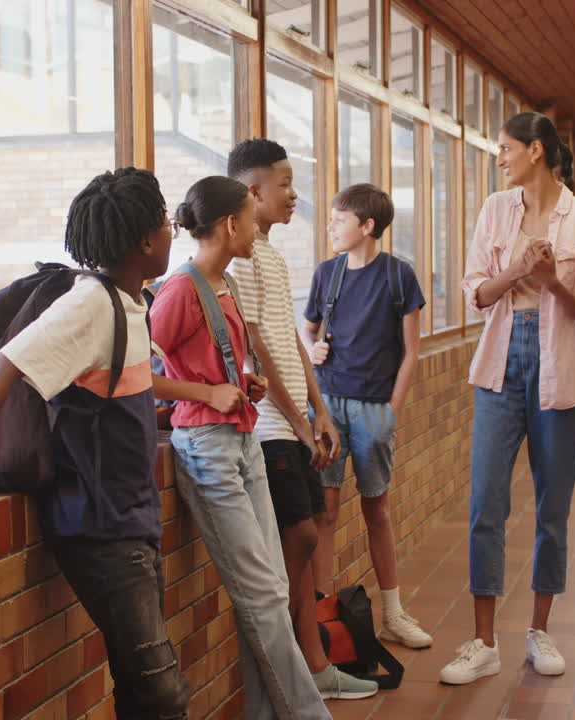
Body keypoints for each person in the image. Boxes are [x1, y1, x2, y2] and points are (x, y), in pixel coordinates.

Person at [0, 168, 189, 719]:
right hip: (100, 529)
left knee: (140, 685)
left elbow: (100, 401)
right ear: (147, 239)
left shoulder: (128, 302)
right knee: (163, 692)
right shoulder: (92, 305)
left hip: (130, 519)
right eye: (168, 223)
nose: (174, 233)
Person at [150, 176, 338, 717]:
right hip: (206, 449)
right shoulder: (180, 289)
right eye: (251, 218)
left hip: (242, 439)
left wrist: (241, 383)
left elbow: (214, 359)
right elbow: (139, 371)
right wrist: (208, 390)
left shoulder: (225, 282)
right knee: (262, 595)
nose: (258, 227)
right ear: (230, 224)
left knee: (271, 592)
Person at [441, 112, 575, 686]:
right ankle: (482, 640)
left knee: (552, 508)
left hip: (561, 367)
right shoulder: (496, 210)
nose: (500, 157)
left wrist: (553, 282)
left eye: (506, 148)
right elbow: (475, 294)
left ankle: (541, 630)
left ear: (536, 151)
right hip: (499, 364)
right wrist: (517, 267)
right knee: (486, 503)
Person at [226, 140, 378, 699]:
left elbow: (288, 336)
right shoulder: (236, 258)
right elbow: (256, 347)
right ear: (252, 191)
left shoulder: (267, 252)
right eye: (285, 184)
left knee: (306, 539)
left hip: (292, 421)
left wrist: (320, 410)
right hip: (266, 427)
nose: (295, 195)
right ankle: (305, 671)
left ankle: (307, 667)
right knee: (301, 537)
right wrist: (296, 418)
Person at [302, 182, 432, 650]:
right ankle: (323, 617)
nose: (332, 226)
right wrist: (312, 348)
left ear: (367, 226)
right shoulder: (326, 274)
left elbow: (412, 352)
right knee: (326, 511)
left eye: (339, 219)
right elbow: (309, 328)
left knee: (376, 509)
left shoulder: (399, 276)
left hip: (375, 407)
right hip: (329, 406)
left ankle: (393, 614)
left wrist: (391, 414)